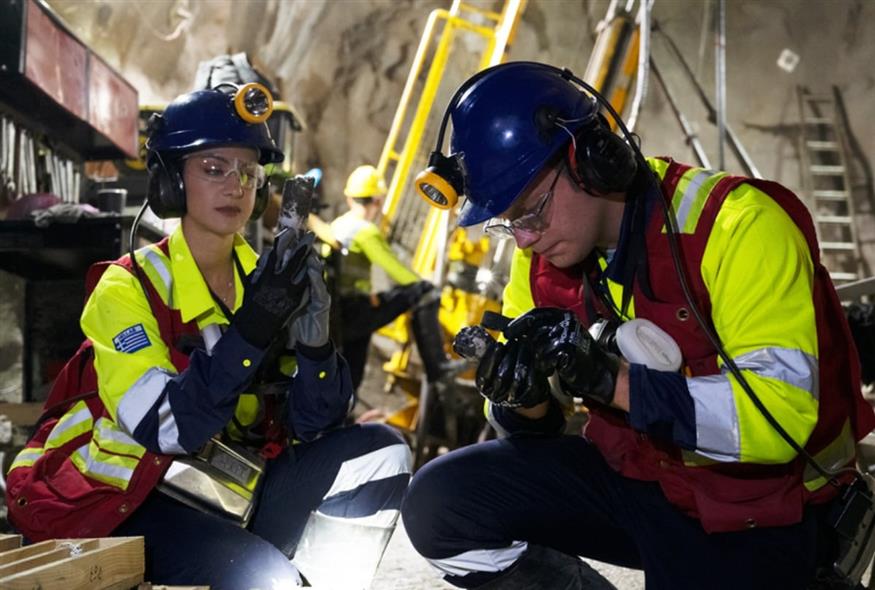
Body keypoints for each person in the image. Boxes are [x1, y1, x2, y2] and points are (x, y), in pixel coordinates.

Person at [400, 61, 875, 589]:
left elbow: (781, 423)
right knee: (439, 505)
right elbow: (536, 430)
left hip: (763, 509)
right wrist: (523, 396)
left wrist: (612, 381)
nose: (525, 238)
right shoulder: (538, 258)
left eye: (530, 213)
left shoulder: (740, 228)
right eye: (508, 222)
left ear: (589, 161)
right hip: (643, 481)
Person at [5, 85, 411, 589]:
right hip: (124, 495)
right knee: (271, 581)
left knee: (380, 451)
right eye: (214, 169)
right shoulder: (129, 286)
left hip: (223, 486)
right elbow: (165, 426)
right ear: (171, 183)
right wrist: (254, 328)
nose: (235, 186)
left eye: (247, 173)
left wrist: (315, 345)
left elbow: (316, 425)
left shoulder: (263, 280)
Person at [329, 164, 434, 391]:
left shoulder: (338, 224)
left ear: (350, 199)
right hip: (354, 312)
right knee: (422, 290)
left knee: (348, 366)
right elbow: (399, 273)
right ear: (376, 201)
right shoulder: (365, 230)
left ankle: (340, 413)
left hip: (333, 312)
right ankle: (436, 368)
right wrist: (425, 284)